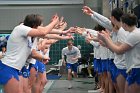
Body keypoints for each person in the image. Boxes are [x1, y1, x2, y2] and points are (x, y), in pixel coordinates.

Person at [0, 14, 59, 93]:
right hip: (9, 66)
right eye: (38, 26)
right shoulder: (20, 28)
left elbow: (33, 54)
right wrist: (54, 22)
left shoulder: (29, 37)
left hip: (17, 68)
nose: (39, 28)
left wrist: (42, 58)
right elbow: (44, 32)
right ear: (34, 25)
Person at [83, 6, 128, 93]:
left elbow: (118, 50)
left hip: (122, 65)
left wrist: (107, 42)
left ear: (114, 18)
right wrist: (92, 13)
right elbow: (104, 21)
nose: (109, 20)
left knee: (120, 88)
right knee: (116, 85)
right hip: (118, 63)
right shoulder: (117, 29)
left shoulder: (121, 31)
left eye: (110, 17)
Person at [98, 13, 140, 93]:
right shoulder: (133, 33)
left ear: (124, 24)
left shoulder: (134, 35)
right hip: (131, 68)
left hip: (135, 69)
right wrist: (107, 40)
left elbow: (118, 50)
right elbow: (116, 46)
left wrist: (106, 39)